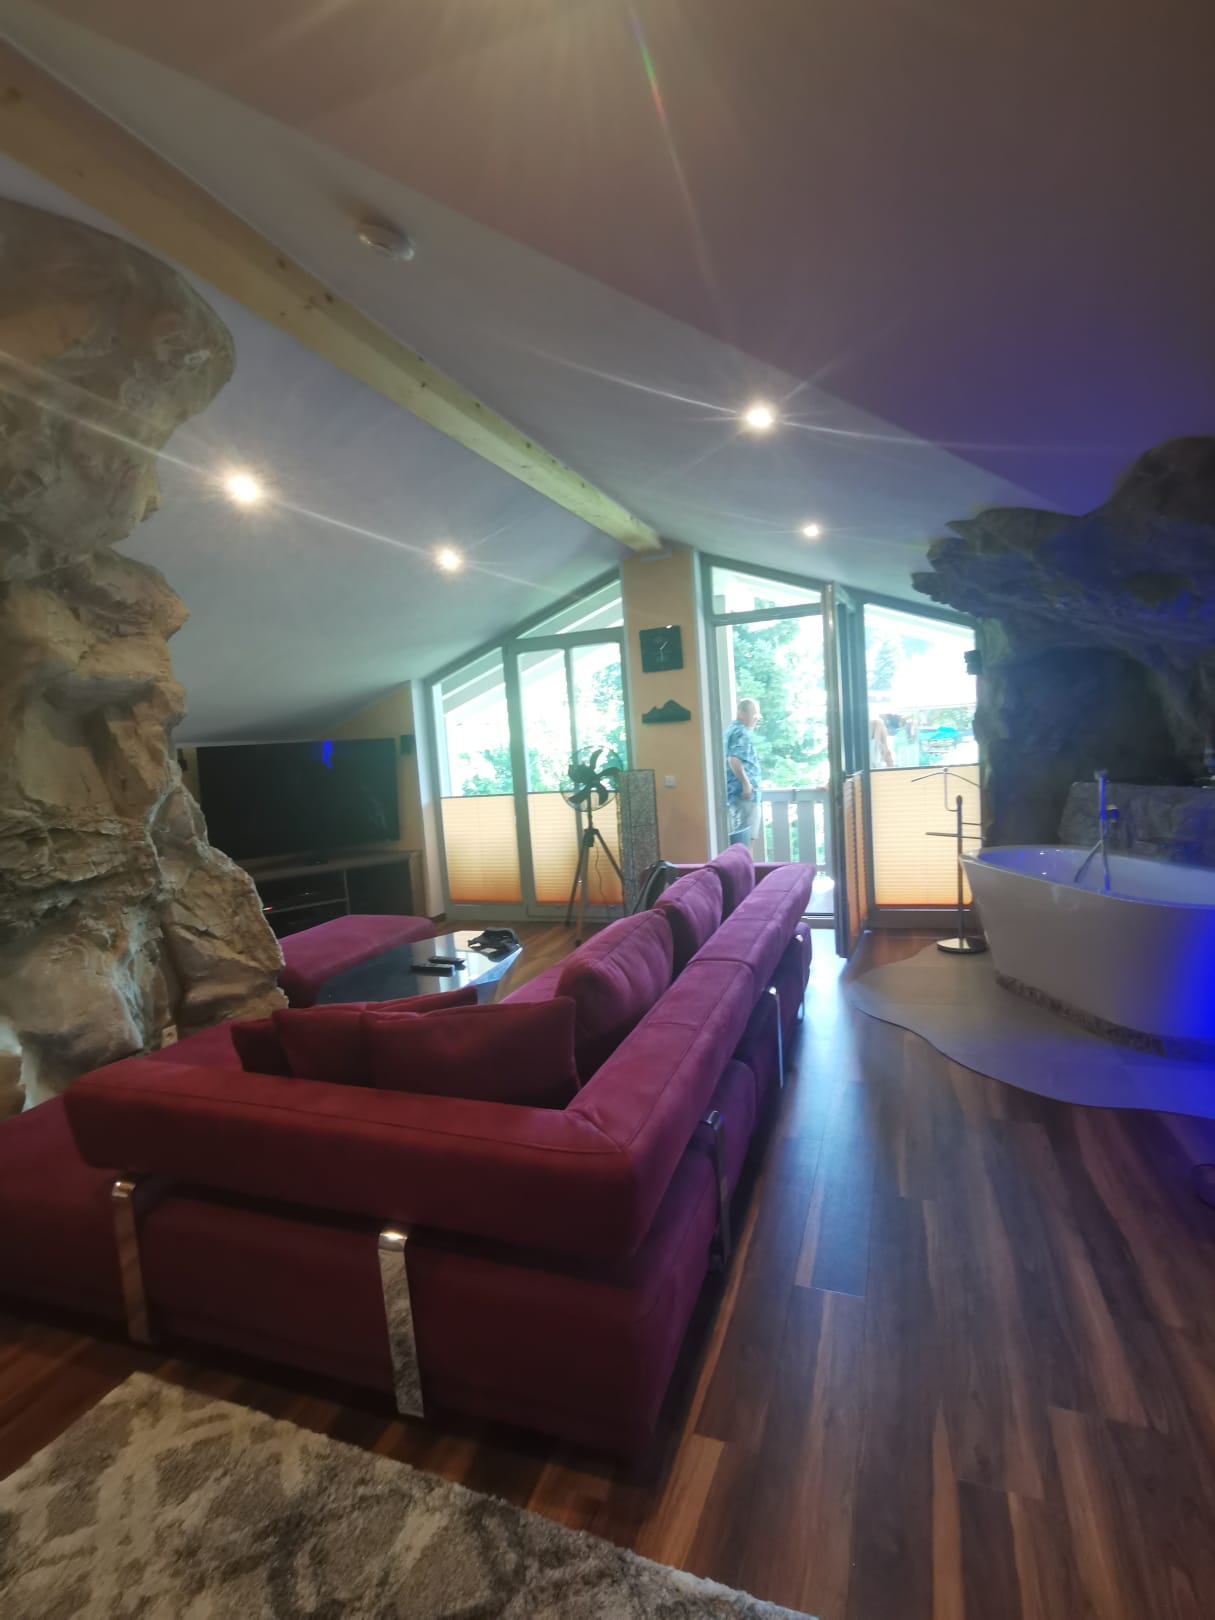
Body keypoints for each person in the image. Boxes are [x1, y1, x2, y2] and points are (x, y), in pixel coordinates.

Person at [724, 698, 763, 846]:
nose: (756, 719)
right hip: (745, 795)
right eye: (754, 714)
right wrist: (746, 784)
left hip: (735, 793)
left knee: (742, 840)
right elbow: (733, 758)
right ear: (741, 713)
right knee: (745, 842)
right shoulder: (741, 732)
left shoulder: (731, 730)